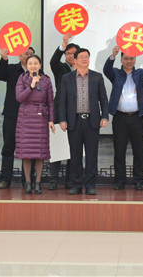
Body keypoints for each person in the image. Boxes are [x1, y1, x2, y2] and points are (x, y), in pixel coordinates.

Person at [103, 46, 143, 191]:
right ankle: (120, 180)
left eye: (131, 58)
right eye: (126, 58)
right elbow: (106, 70)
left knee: (138, 151)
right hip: (120, 118)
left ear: (135, 60)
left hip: (137, 118)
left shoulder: (140, 74)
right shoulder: (115, 73)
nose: (128, 61)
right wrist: (112, 56)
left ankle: (138, 180)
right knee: (119, 152)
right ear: (121, 60)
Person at [59, 48, 109, 195]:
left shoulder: (97, 77)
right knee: (75, 155)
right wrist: (62, 119)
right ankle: (76, 184)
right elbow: (62, 101)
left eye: (86, 56)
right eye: (81, 57)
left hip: (92, 121)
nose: (84, 59)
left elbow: (103, 99)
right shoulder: (67, 78)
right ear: (75, 60)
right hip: (74, 121)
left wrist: (104, 116)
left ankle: (90, 185)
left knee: (92, 155)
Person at [15, 55, 56, 194]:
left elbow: (50, 102)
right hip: (25, 119)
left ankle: (38, 183)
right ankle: (28, 183)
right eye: (30, 63)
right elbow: (19, 98)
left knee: (40, 153)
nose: (33, 66)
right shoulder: (22, 79)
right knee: (26, 153)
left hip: (41, 119)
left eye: (36, 63)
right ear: (26, 66)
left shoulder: (46, 80)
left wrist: (51, 120)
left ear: (40, 65)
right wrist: (31, 86)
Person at [0, 46, 35, 189]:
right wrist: (4, 58)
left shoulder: (38, 73)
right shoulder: (12, 69)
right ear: (19, 56)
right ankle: (5, 179)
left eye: (31, 54)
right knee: (8, 147)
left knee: (28, 149)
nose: (28, 56)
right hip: (12, 115)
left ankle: (27, 180)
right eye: (26, 53)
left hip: (30, 117)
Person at [49, 34, 79, 190]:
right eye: (68, 53)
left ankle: (69, 180)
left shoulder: (84, 71)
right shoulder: (61, 68)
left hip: (76, 114)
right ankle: (53, 180)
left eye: (73, 53)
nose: (70, 56)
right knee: (57, 146)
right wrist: (62, 46)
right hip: (59, 112)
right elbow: (53, 62)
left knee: (73, 148)